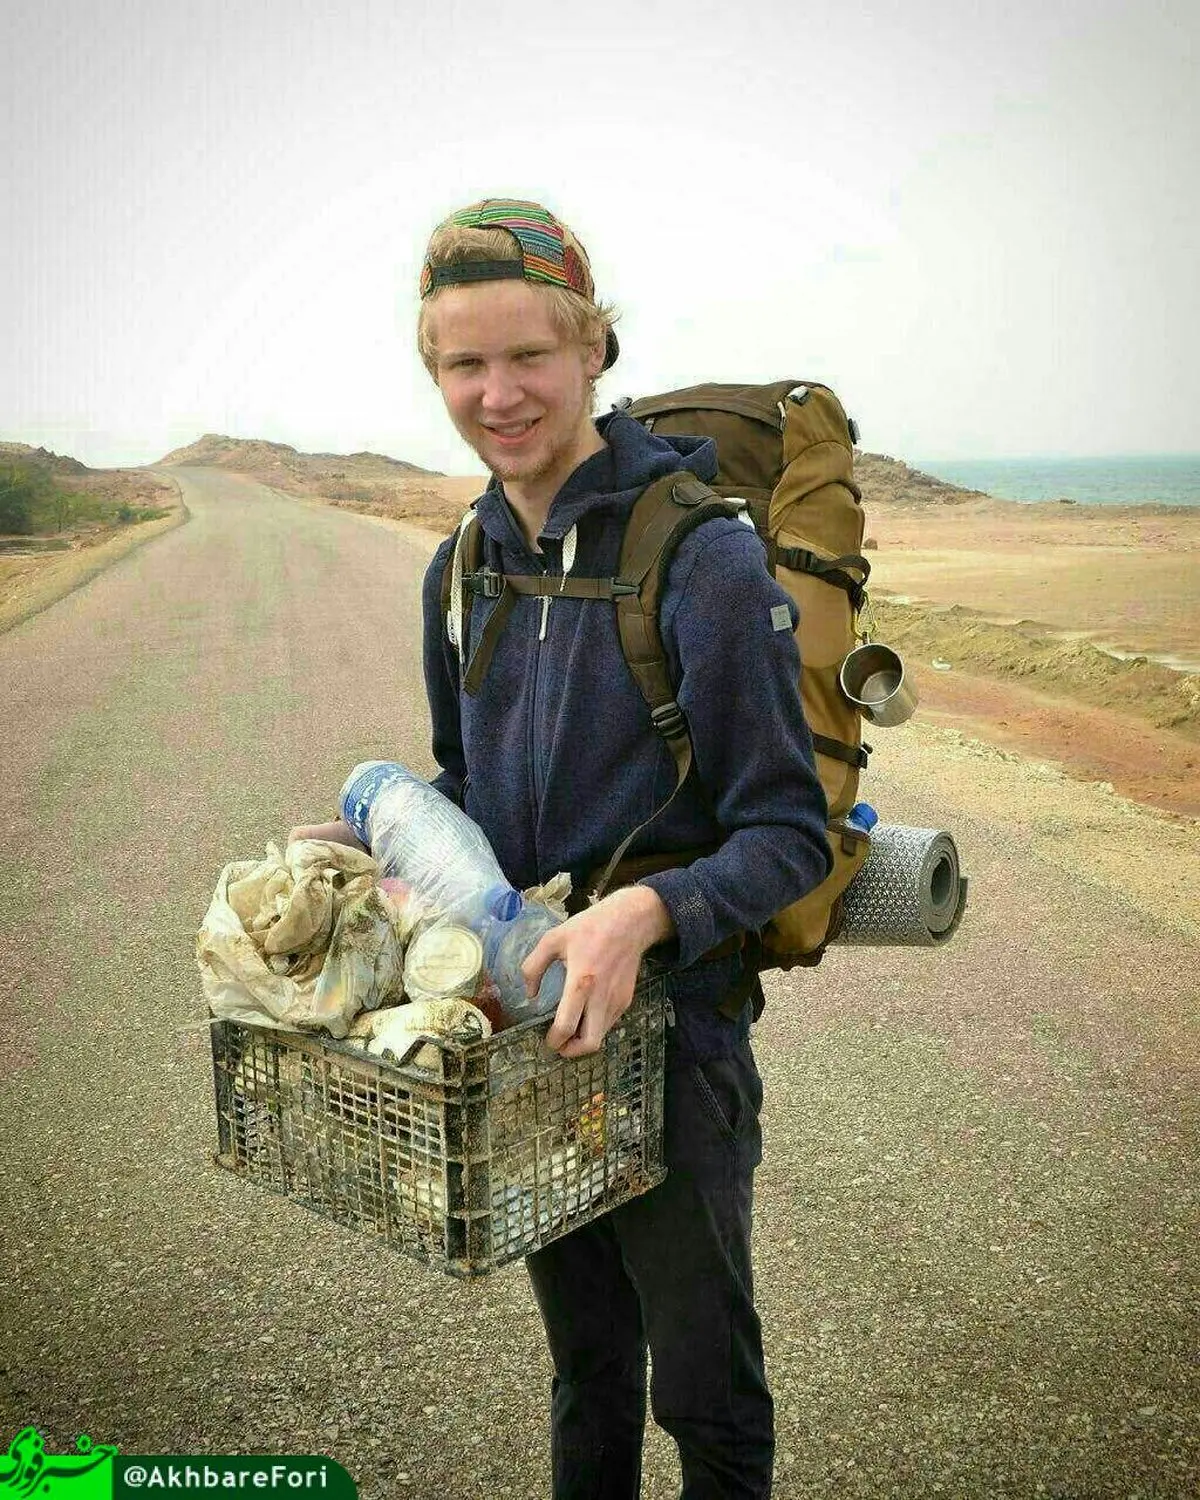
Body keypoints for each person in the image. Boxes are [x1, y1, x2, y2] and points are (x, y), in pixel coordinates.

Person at [415, 199, 831, 1499]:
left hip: (678, 1052)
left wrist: (641, 917)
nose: (498, 394)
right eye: (464, 363)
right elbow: (466, 783)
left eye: (527, 356)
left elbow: (789, 832)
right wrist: (389, 846)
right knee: (588, 1369)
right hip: (534, 1045)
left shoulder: (703, 562)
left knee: (705, 1399)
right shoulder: (462, 568)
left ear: (592, 348)